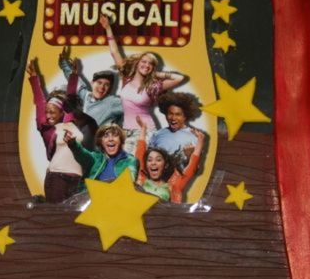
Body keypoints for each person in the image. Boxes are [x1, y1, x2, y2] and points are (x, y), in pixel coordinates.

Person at [98, 15, 185, 150]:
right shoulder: (126, 79)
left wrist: (157, 74)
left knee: (141, 162)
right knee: (127, 162)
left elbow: (179, 78)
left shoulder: (153, 86)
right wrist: (108, 28)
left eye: (150, 64)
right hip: (126, 131)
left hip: (146, 131)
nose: (146, 65)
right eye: (144, 62)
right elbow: (114, 52)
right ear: (138, 63)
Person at [26, 58, 82, 203]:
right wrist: (34, 78)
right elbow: (40, 102)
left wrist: (74, 75)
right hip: (57, 178)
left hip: (77, 179)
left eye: (52, 112)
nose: (48, 116)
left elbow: (70, 98)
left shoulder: (69, 122)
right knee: (57, 214)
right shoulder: (46, 128)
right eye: (47, 112)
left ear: (62, 113)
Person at [135, 115, 205, 203]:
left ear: (165, 165)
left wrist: (200, 140)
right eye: (149, 160)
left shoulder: (174, 186)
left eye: (158, 160)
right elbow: (140, 152)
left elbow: (192, 167)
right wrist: (143, 129)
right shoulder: (141, 177)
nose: (153, 163)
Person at [58, 45, 123, 127]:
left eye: (106, 85)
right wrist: (63, 63)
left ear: (110, 88)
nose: (102, 87)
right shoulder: (86, 96)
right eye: (99, 83)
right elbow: (76, 81)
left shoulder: (113, 102)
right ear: (92, 83)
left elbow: (133, 105)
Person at [150, 91, 203, 173]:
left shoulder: (194, 137)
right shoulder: (157, 135)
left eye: (178, 114)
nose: (173, 118)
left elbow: (195, 170)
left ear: (185, 117)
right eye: (170, 113)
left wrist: (189, 157)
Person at [68, 123, 138, 183]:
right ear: (100, 141)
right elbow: (82, 154)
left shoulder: (129, 160)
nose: (110, 139)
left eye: (115, 135)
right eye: (106, 136)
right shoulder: (95, 158)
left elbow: (130, 177)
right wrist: (73, 144)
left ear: (121, 140)